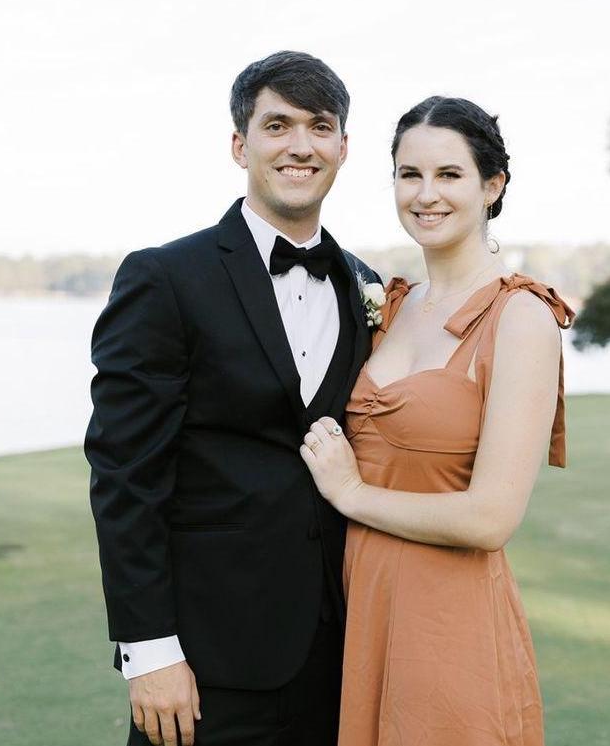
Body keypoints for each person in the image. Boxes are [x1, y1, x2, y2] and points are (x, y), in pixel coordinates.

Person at [85, 51, 380, 746]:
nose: (300, 145)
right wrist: (149, 650)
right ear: (240, 145)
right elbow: (125, 474)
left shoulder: (363, 284)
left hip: (339, 656)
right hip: (203, 662)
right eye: (277, 125)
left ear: (343, 148)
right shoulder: (165, 277)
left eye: (320, 126)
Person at [300, 96, 575, 746]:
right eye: (409, 174)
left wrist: (350, 492)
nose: (426, 194)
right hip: (363, 613)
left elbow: (490, 518)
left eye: (449, 174)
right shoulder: (389, 306)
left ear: (492, 185)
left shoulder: (520, 318)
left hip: (448, 629)